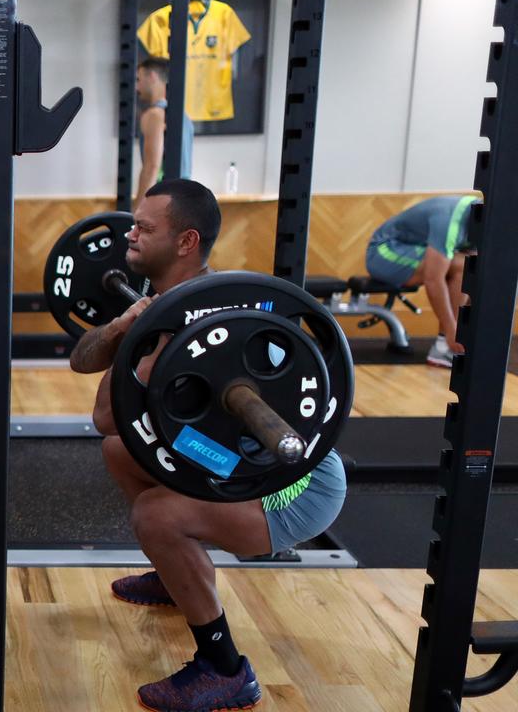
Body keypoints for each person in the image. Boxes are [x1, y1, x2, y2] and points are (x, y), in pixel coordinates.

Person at [69, 179, 347, 712]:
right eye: (133, 223)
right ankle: (177, 579)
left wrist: (135, 335)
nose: (129, 235)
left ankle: (225, 669)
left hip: (295, 481)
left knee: (156, 515)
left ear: (185, 242)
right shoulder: (164, 303)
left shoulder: (207, 312)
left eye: (145, 229)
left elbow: (106, 415)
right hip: (240, 459)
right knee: (121, 453)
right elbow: (83, 362)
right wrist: (124, 328)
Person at [365, 195, 480, 368]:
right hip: (382, 253)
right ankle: (444, 347)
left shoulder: (481, 218)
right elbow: (433, 280)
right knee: (463, 266)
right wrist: (451, 330)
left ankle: (447, 344)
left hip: (411, 248)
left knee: (472, 264)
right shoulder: (449, 222)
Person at [135, 57, 194, 212]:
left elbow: (152, 166)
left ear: (152, 77)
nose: (137, 87)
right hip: (185, 199)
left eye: (139, 79)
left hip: (163, 202)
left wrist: (137, 212)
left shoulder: (154, 115)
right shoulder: (184, 116)